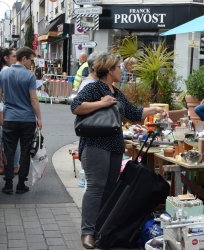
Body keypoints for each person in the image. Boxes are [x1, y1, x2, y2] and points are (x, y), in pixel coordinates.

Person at [71, 52, 167, 249]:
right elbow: (75, 106)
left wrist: (155, 110)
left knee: (108, 188)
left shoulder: (115, 91)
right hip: (95, 144)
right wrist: (102, 103)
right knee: (96, 188)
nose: (121, 70)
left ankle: (100, 228)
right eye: (118, 67)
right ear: (109, 69)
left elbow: (133, 113)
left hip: (115, 144)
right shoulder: (94, 87)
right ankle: (87, 232)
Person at [0, 47, 42, 195]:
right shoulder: (29, 76)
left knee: (9, 151)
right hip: (27, 119)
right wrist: (39, 118)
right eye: (30, 59)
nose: (31, 63)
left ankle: (8, 184)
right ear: (23, 59)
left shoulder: (4, 73)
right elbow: (33, 99)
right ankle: (21, 184)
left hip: (9, 118)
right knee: (25, 151)